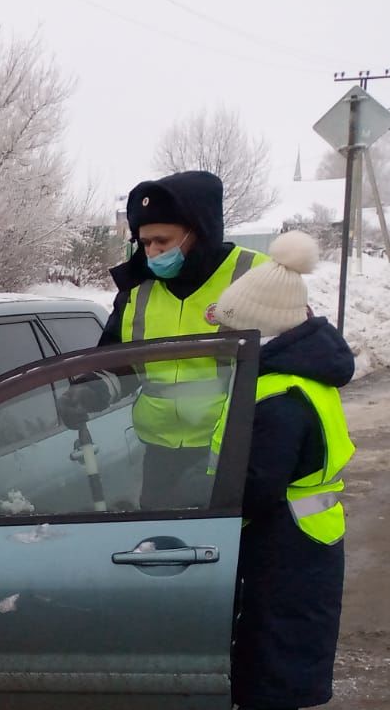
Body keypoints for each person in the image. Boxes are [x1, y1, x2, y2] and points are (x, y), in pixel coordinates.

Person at [145, 232, 354, 710]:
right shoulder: (288, 375)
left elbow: (258, 485)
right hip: (292, 532)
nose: (225, 339)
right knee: (258, 636)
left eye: (234, 330)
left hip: (288, 537)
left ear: (260, 330)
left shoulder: (281, 395)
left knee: (274, 643)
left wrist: (202, 494)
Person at [58, 171, 269, 509]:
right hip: (160, 456)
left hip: (236, 456)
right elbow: (117, 363)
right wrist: (89, 390)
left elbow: (293, 362)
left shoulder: (254, 277)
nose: (153, 253)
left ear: (199, 232)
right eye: (145, 243)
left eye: (163, 241)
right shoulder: (138, 290)